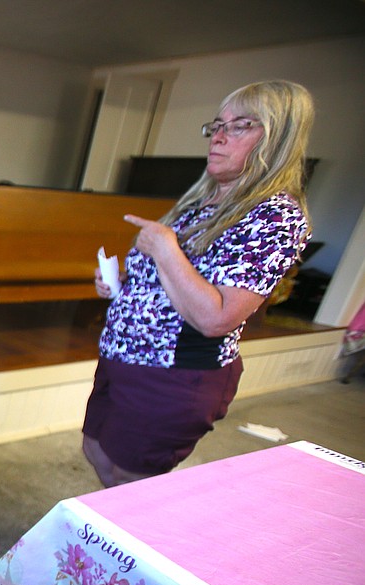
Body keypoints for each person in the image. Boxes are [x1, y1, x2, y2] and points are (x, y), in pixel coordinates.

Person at [82, 80, 314, 487]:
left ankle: (128, 546)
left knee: (129, 480)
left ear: (278, 139)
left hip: (174, 374)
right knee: (96, 450)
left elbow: (216, 317)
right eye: (217, 126)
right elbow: (171, 279)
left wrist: (165, 248)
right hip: (124, 356)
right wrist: (122, 282)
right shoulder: (200, 202)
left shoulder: (275, 216)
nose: (220, 137)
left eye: (241, 126)